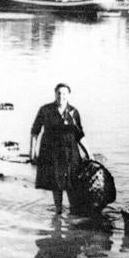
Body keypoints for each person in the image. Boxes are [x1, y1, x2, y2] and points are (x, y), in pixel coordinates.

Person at [30, 83, 91, 215]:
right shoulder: (45, 110)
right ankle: (58, 213)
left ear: (68, 95)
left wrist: (89, 153)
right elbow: (35, 131)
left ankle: (73, 213)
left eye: (64, 93)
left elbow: (80, 135)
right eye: (58, 93)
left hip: (70, 152)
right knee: (56, 184)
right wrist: (32, 152)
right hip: (52, 152)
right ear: (55, 94)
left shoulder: (73, 112)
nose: (61, 96)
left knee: (72, 183)